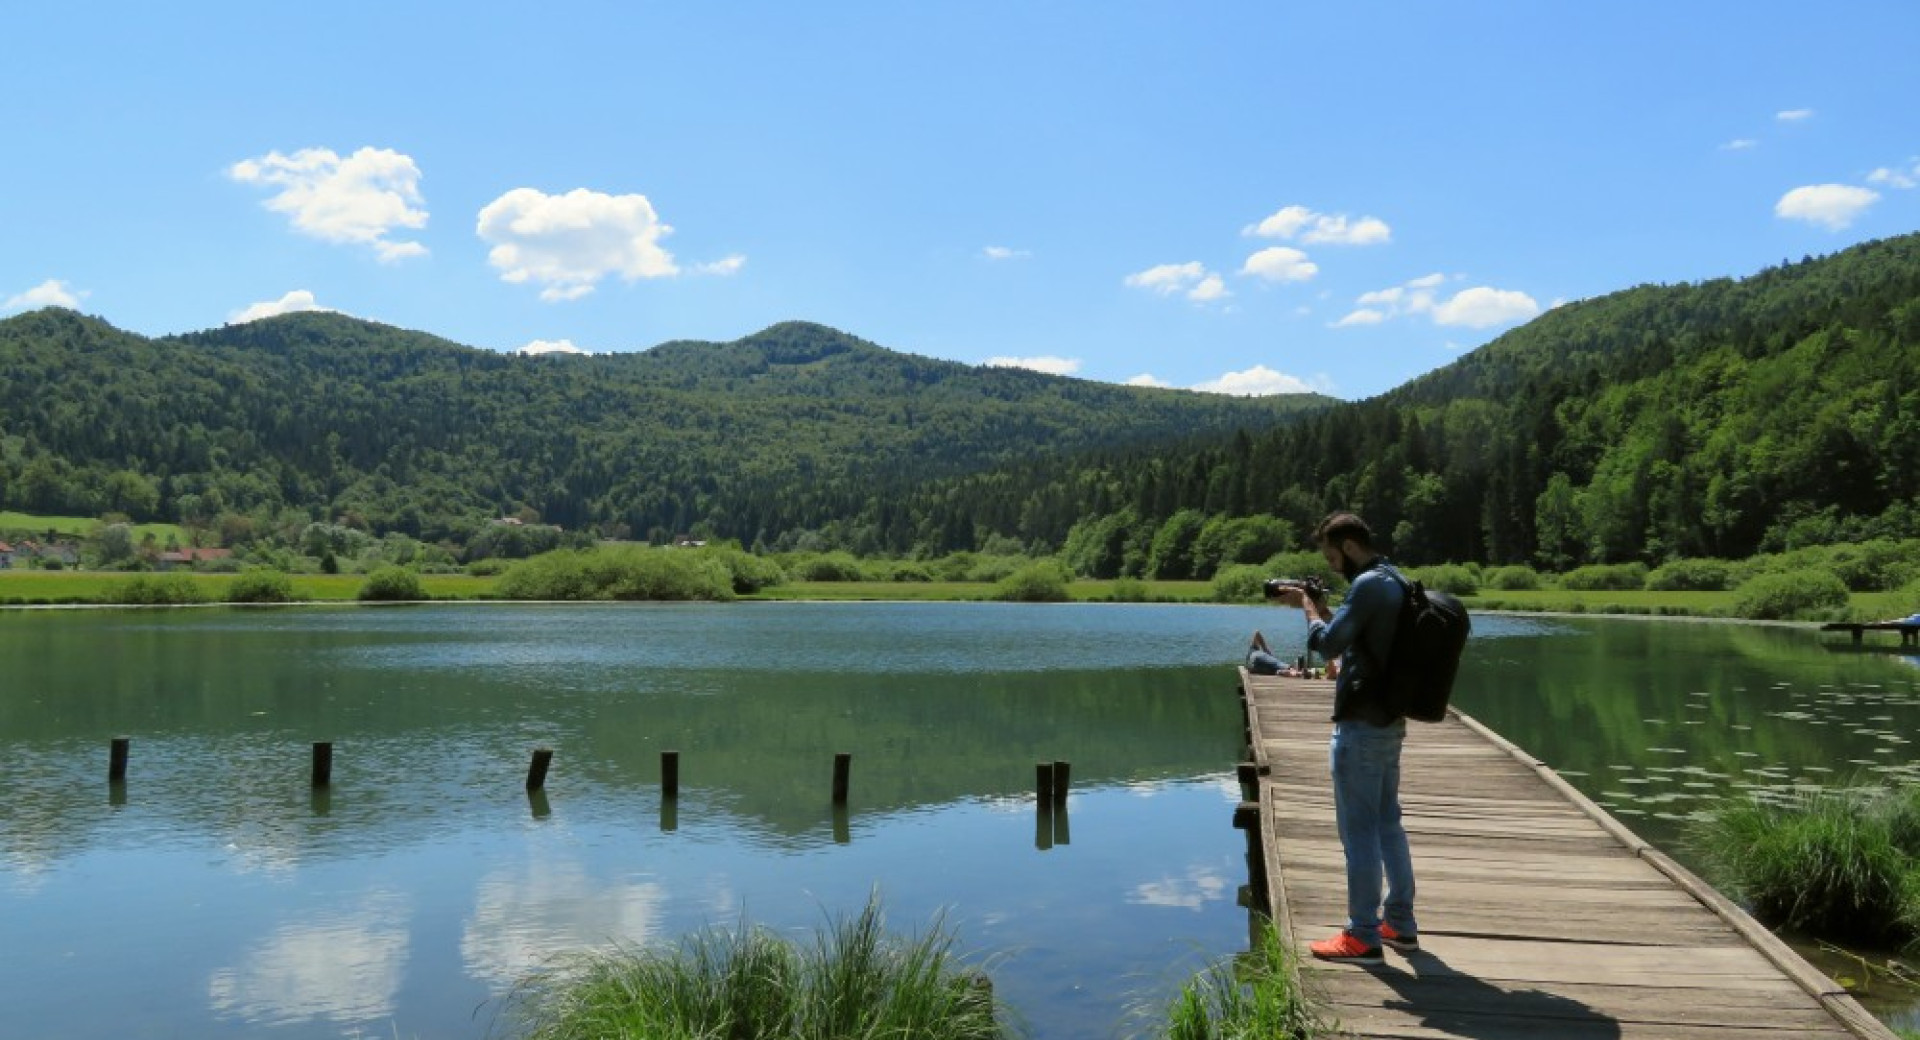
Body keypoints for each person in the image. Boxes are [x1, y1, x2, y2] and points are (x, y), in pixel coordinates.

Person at [1270, 511, 1417, 965]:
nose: (1333, 565)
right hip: (1389, 719)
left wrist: (1308, 608)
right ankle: (1400, 926)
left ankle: (1363, 936)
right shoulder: (1394, 579)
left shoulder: (1367, 584)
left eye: (1333, 556)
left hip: (1361, 723)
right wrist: (1326, 609)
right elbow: (1358, 639)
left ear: (1349, 546)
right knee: (1388, 822)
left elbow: (1328, 646)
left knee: (1360, 833)